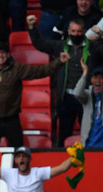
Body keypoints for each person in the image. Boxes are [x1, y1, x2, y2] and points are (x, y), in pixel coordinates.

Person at [28, 15, 90, 144]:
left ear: (84, 31)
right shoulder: (60, 46)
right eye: (73, 31)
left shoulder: (92, 47)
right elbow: (41, 44)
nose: (76, 34)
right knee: (64, 135)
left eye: (79, 31)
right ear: (68, 31)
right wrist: (32, 28)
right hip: (66, 97)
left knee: (88, 134)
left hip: (86, 98)